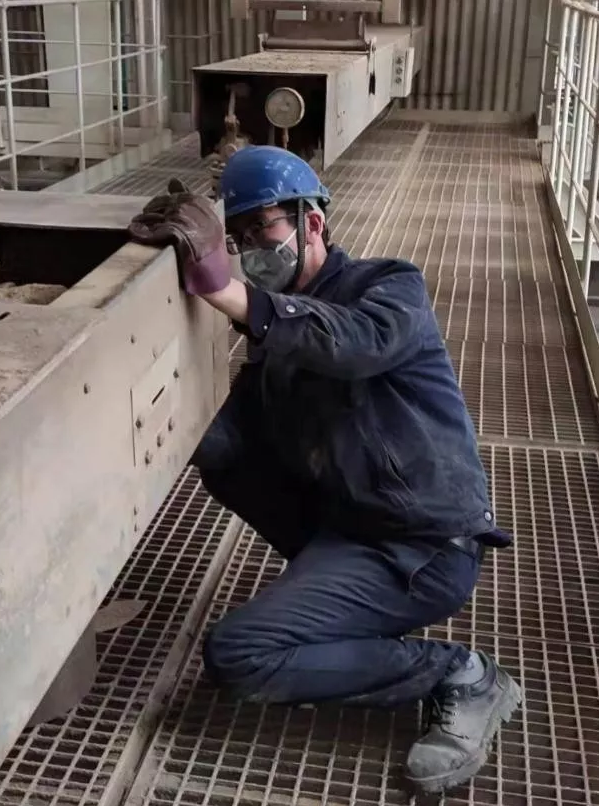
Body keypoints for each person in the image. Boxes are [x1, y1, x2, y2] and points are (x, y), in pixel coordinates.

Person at [127, 146, 522, 794]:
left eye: (263, 228)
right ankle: (342, 601)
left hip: (419, 546)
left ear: (312, 222)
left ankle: (460, 674)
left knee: (239, 654)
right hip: (347, 527)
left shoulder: (389, 287)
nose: (251, 249)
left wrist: (229, 292)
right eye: (238, 238)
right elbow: (227, 437)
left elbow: (352, 343)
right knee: (220, 449)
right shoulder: (274, 347)